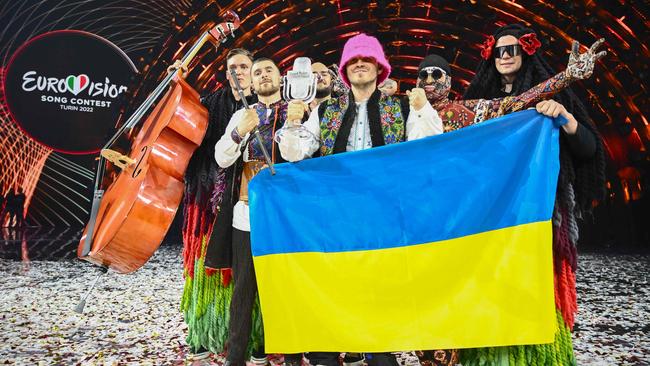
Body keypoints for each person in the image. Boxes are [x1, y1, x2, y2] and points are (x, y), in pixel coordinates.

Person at [280, 33, 443, 366]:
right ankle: (326, 354)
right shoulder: (325, 111)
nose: (359, 64)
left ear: (379, 67)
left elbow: (429, 145)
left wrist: (423, 109)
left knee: (378, 289)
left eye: (366, 59)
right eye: (353, 60)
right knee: (332, 285)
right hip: (334, 216)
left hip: (382, 217)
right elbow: (294, 153)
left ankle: (379, 354)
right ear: (344, 69)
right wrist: (293, 121)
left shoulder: (400, 106)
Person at [459, 24, 607, 365]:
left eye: (513, 49)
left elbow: (589, 150)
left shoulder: (555, 98)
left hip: (537, 215)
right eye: (499, 51)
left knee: (535, 288)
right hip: (490, 217)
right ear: (490, 57)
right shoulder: (475, 106)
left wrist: (565, 119)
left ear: (526, 52)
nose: (506, 56)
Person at [212, 57, 306, 366]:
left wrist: (293, 123)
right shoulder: (242, 114)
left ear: (281, 78)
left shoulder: (298, 110)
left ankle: (292, 357)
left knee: (286, 287)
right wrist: (239, 132)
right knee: (243, 290)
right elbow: (222, 159)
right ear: (250, 82)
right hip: (247, 211)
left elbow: (295, 155)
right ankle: (235, 357)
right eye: (257, 72)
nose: (262, 75)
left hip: (285, 215)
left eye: (269, 70)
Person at [180, 48, 258, 361]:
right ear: (225, 74)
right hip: (208, 197)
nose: (238, 72)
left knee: (248, 274)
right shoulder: (208, 105)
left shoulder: (270, 104)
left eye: (244, 66)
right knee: (206, 269)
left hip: (247, 202)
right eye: (232, 68)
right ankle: (204, 333)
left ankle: (252, 337)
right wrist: (177, 84)